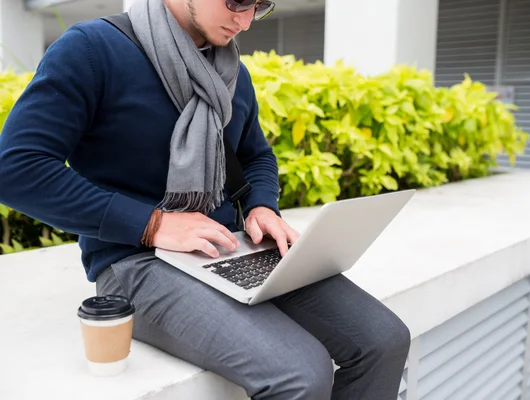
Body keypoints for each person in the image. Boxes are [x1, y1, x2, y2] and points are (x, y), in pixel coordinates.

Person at [0, 0, 411, 398]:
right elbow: (16, 169)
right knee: (301, 373)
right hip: (134, 262)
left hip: (230, 249)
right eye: (237, 2)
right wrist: (153, 223)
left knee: (384, 340)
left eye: (259, 6)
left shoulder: (230, 70)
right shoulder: (91, 50)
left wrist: (262, 205)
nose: (246, 21)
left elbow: (256, 156)